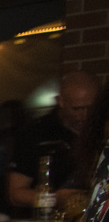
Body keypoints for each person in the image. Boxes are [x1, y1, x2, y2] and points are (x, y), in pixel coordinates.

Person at [8, 70, 101, 211]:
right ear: (60, 102)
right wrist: (56, 198)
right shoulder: (36, 133)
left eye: (91, 108)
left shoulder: (101, 130)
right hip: (48, 219)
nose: (85, 115)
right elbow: (16, 195)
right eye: (77, 109)